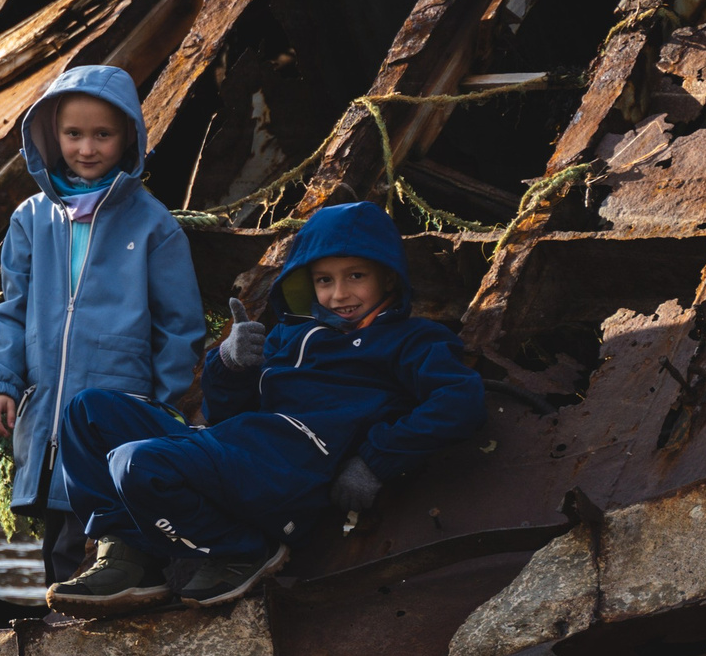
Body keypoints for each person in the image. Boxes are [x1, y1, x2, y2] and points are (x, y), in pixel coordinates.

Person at [48, 200, 486, 614]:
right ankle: (130, 559)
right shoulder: (286, 337)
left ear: (388, 278)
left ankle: (241, 549)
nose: (338, 294)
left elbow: (459, 399)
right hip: (237, 448)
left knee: (137, 464)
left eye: (356, 276)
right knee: (87, 411)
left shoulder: (412, 340)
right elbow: (226, 415)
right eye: (324, 279)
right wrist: (230, 364)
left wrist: (376, 460)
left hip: (290, 471)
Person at [0, 66, 201, 585]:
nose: (87, 147)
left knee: (111, 537)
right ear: (51, 136)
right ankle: (58, 646)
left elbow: (180, 325)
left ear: (129, 139)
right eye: (73, 133)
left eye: (103, 134)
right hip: (44, 409)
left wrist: (160, 410)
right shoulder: (30, 219)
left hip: (115, 415)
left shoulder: (152, 224)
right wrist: (3, 384)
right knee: (57, 550)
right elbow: (12, 312)